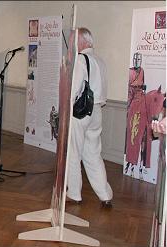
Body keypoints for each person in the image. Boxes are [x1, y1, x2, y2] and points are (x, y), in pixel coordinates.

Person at [66, 27, 113, 208]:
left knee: (73, 153)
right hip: (97, 111)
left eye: (73, 40)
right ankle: (105, 195)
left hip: (80, 112)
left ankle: (74, 193)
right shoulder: (100, 60)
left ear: (83, 42)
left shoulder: (80, 60)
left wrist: (66, 109)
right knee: (93, 154)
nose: (71, 44)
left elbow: (74, 89)